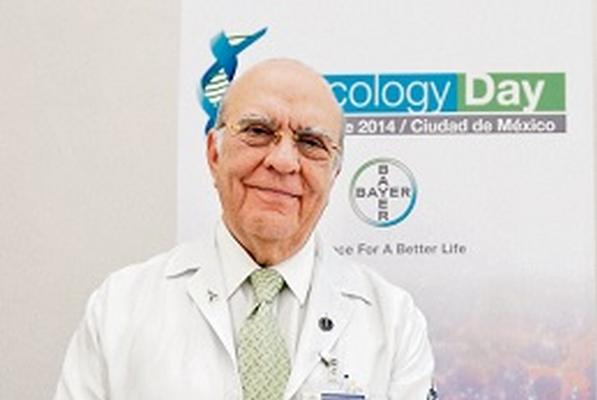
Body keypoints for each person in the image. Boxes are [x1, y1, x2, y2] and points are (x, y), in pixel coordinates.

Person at [54, 58, 434, 400]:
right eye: (258, 131)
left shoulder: (394, 323)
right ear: (214, 153)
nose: (283, 161)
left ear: (334, 174)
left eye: (311, 143)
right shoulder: (120, 308)